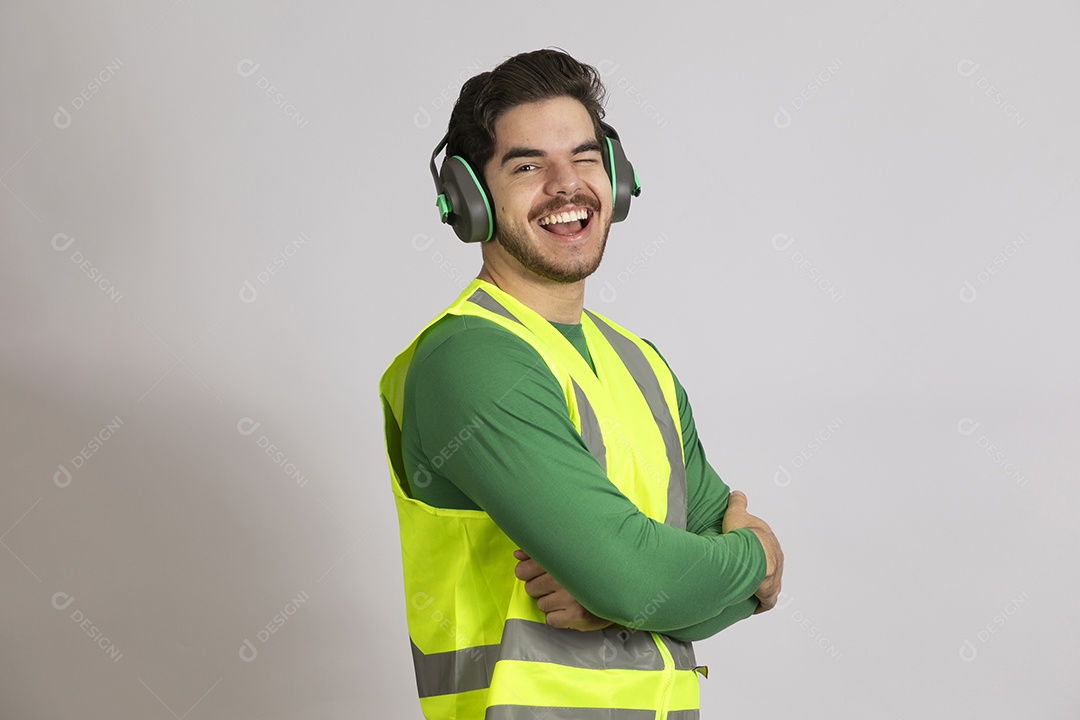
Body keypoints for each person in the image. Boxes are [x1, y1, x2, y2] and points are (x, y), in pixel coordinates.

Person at [379, 48, 784, 720]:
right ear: (470, 199)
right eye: (529, 164)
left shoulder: (639, 364)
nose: (567, 185)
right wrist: (757, 554)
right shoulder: (468, 361)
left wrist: (631, 595)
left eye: (586, 158)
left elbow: (662, 583)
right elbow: (636, 576)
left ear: (618, 179)